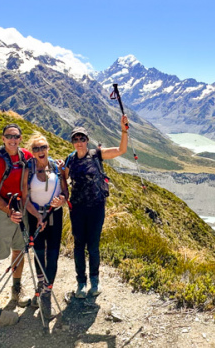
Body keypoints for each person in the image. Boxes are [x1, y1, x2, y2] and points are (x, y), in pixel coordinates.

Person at [63, 116, 128, 298]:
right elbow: (64, 177)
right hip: (77, 208)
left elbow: (121, 150)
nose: (79, 142)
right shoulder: (70, 159)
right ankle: (81, 283)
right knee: (78, 246)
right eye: (75, 139)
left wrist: (124, 130)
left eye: (82, 139)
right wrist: (65, 194)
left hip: (96, 207)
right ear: (72, 142)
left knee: (93, 246)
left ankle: (94, 282)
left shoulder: (97, 154)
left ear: (87, 140)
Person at [0, 123, 32, 310]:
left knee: (19, 251)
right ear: (2, 138)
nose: (12, 140)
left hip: (22, 208)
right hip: (3, 210)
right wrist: (10, 212)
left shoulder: (26, 156)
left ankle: (16, 288)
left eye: (16, 136)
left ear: (20, 138)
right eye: (9, 136)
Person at [21, 132, 68, 317]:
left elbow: (65, 191)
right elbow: (25, 196)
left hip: (54, 215)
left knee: (53, 253)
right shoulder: (28, 168)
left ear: (48, 148)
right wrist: (37, 216)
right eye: (36, 148)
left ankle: (47, 292)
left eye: (43, 147)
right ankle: (41, 287)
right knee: (39, 252)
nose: (40, 151)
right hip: (35, 216)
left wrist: (62, 200)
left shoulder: (57, 167)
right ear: (32, 152)